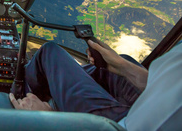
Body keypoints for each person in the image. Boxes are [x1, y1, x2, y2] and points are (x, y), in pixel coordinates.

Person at [9, 39, 182, 130]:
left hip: (118, 125)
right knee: (114, 66)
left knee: (50, 53)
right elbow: (168, 85)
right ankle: (64, 94)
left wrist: (49, 120)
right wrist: (121, 66)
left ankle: (24, 97)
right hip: (149, 108)